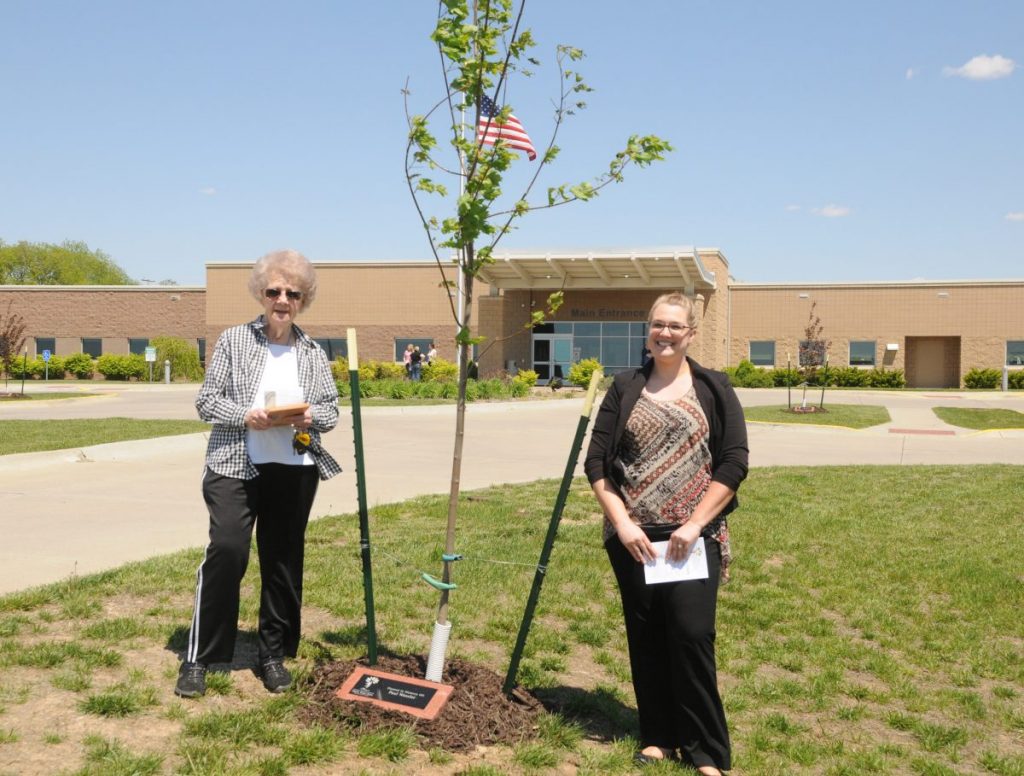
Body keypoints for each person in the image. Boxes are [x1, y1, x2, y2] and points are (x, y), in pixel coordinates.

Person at [584, 292, 748, 774]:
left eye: (676, 326)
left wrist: (695, 523)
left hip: (694, 537)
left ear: (691, 333)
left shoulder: (714, 387)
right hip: (635, 537)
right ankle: (657, 735)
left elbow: (734, 461)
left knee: (691, 634)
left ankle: (706, 750)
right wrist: (622, 524)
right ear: (648, 329)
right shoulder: (625, 387)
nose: (666, 333)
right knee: (648, 634)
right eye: (658, 324)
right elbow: (596, 463)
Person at [175, 249, 342, 699]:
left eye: (293, 293)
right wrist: (246, 415)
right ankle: (200, 657)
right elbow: (206, 401)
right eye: (274, 291)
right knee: (228, 549)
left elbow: (331, 410)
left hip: (293, 468)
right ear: (261, 294)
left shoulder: (312, 351)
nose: (283, 300)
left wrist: (310, 416)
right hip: (234, 464)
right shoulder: (234, 340)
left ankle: (273, 655)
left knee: (283, 560)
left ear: (303, 300)